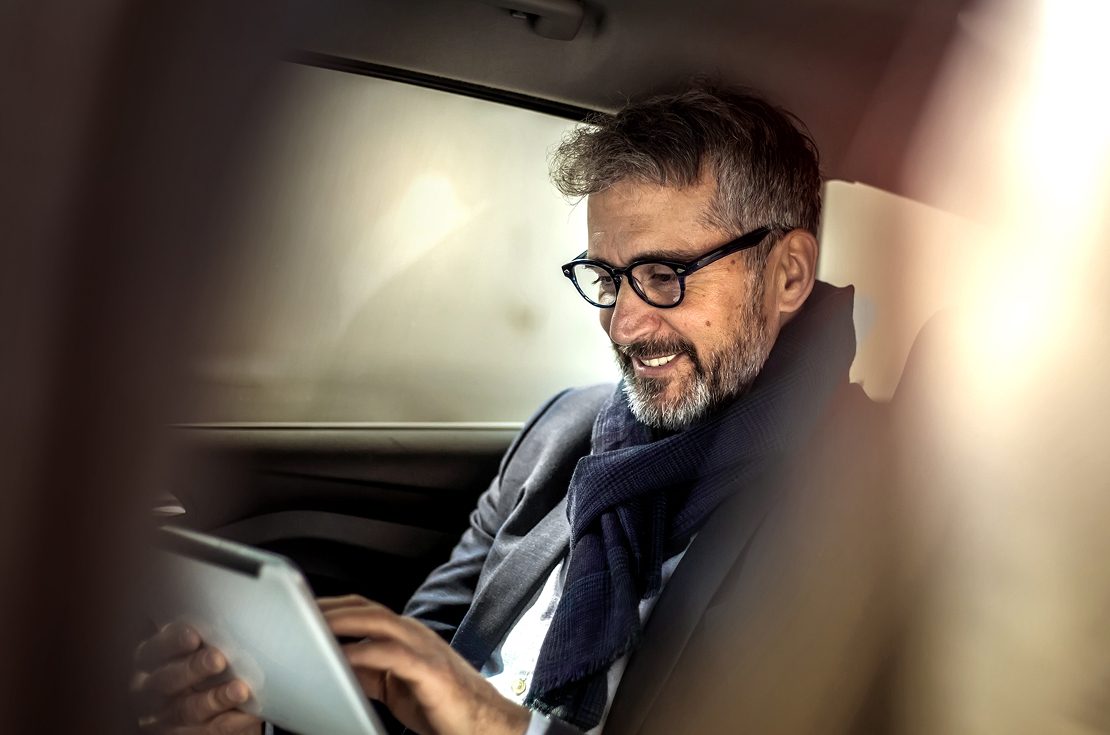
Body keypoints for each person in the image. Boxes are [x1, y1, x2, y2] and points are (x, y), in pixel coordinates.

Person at [132, 83, 898, 735]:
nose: (624, 325)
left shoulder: (869, 508)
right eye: (607, 278)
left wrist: (496, 723)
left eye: (665, 275)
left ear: (788, 275)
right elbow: (408, 676)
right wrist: (257, 719)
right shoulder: (565, 430)